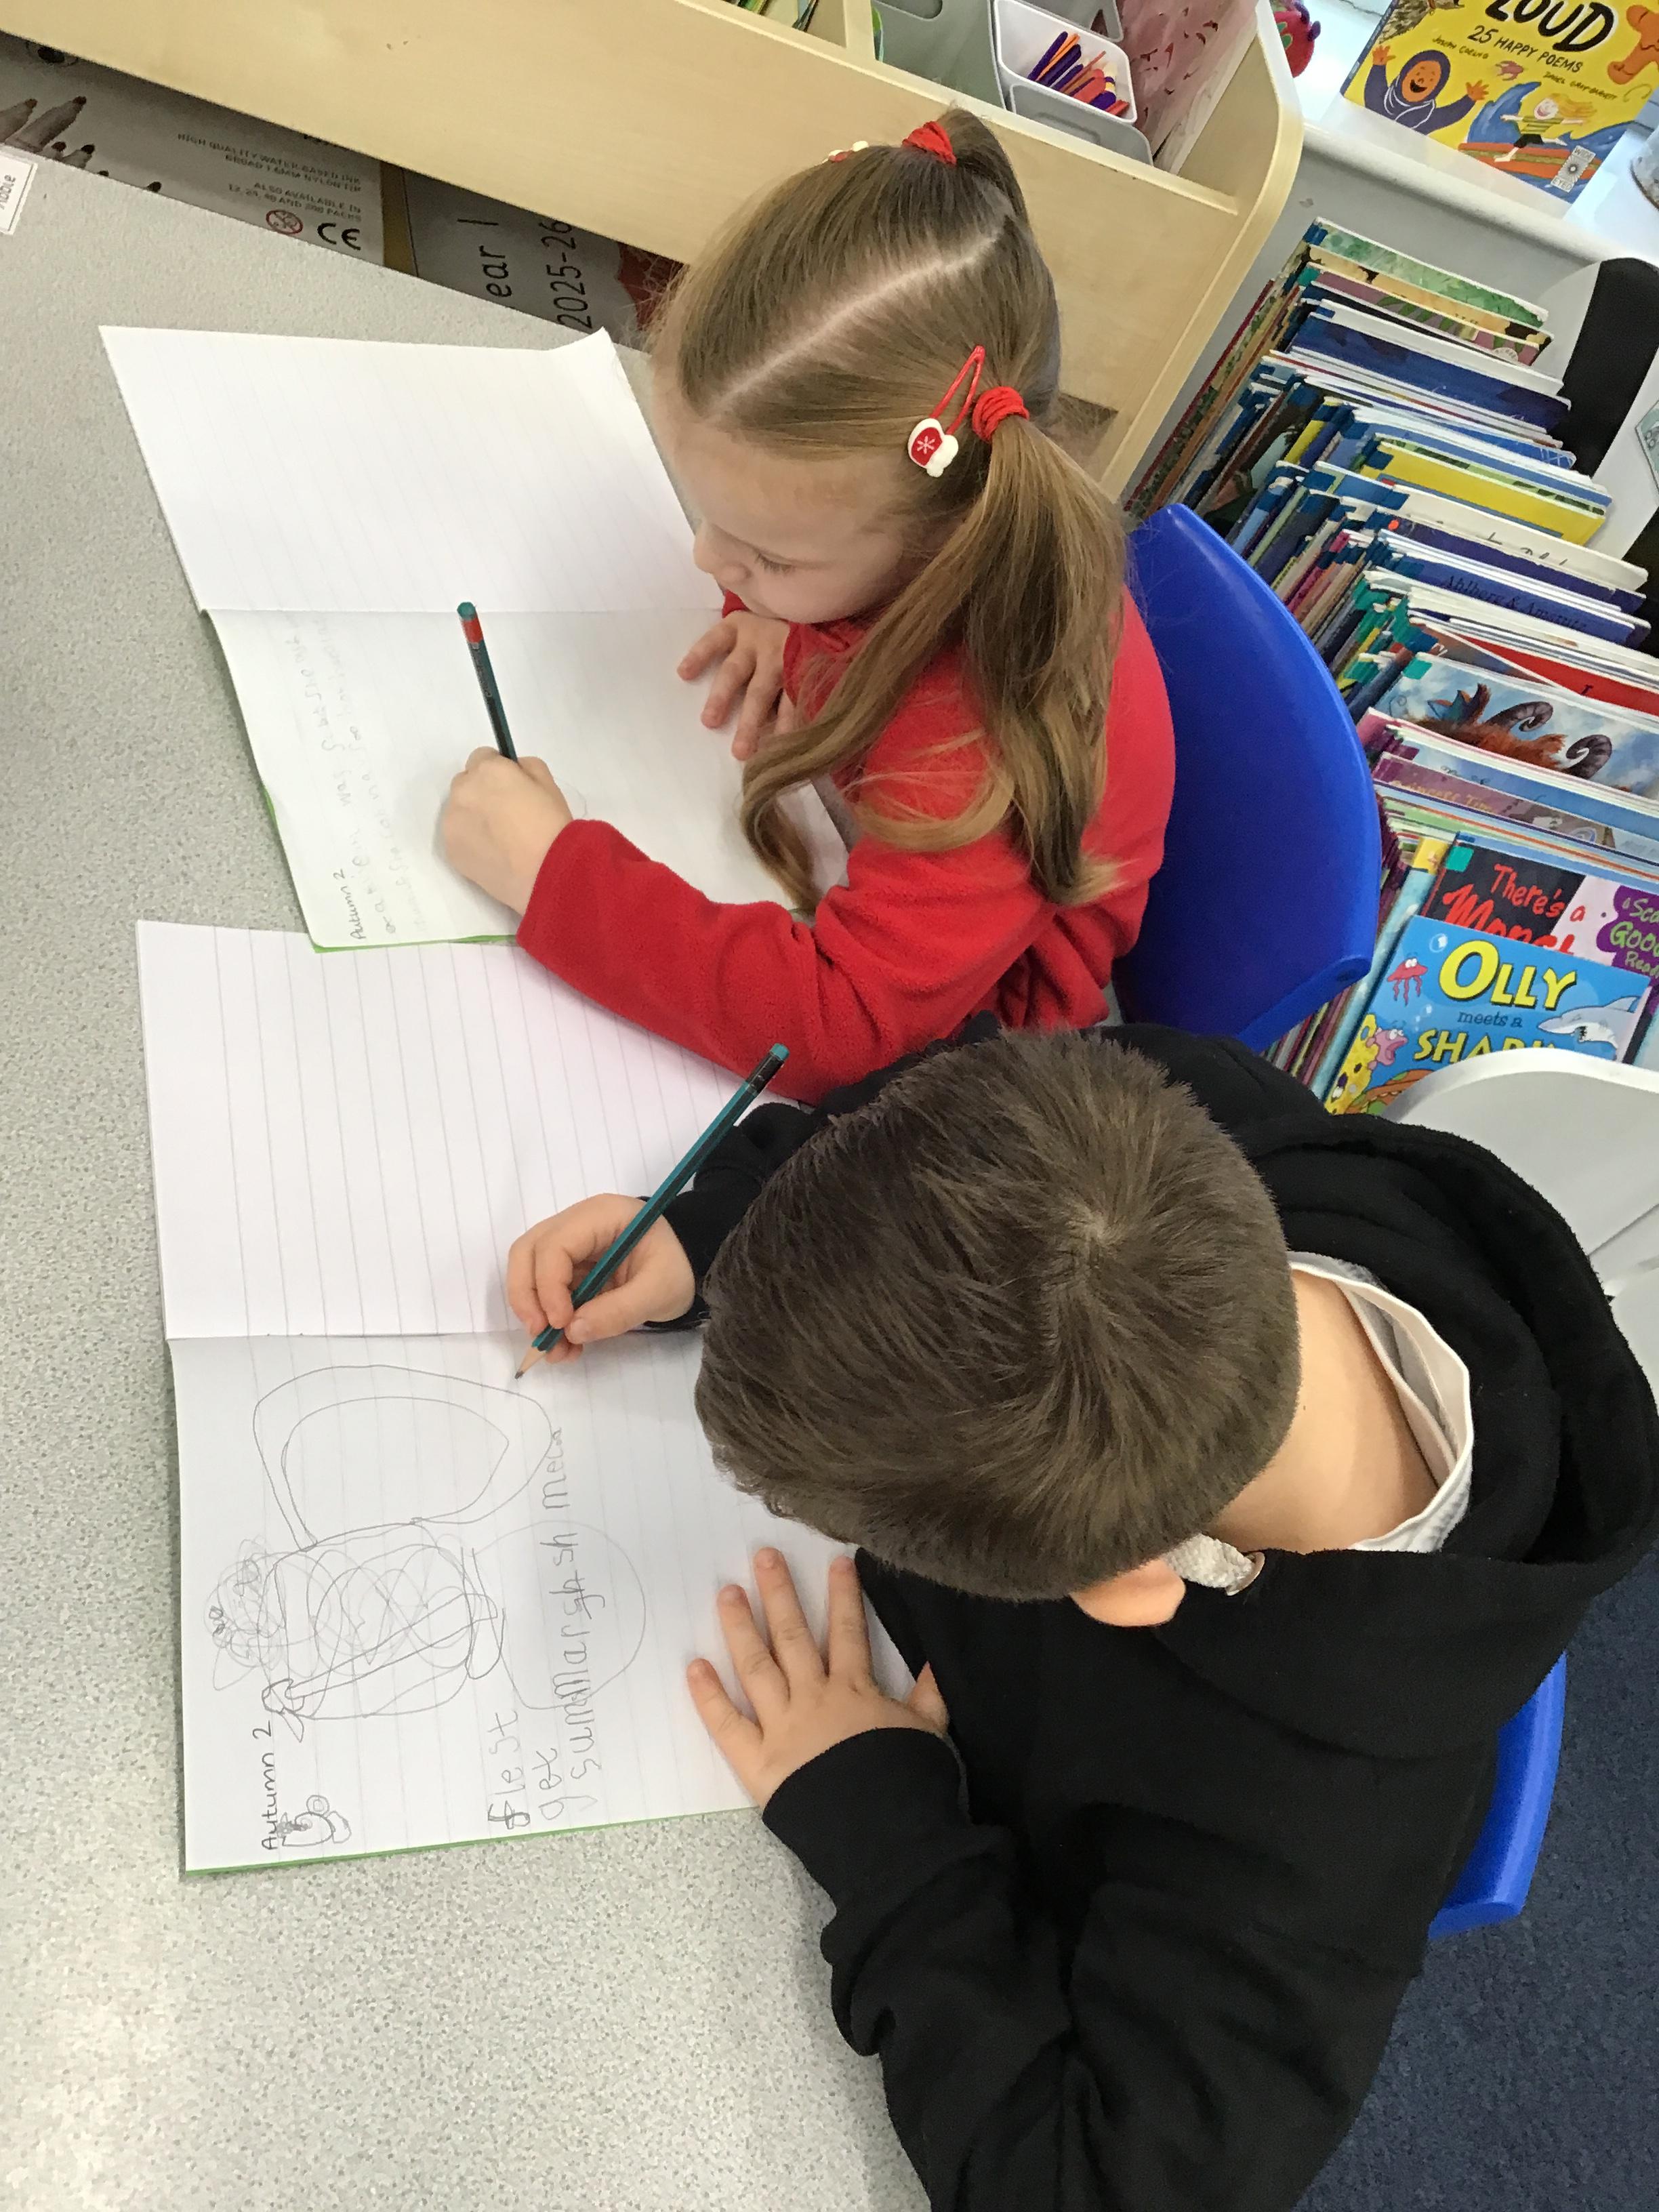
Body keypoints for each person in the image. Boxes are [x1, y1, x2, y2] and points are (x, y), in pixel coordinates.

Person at [503, 1021, 1659, 2211]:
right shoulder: (1168, 1116)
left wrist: (887, 1830)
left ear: (1130, 1588)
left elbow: (1085, 2189)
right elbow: (937, 1113)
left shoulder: (1308, 1844)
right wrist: (713, 1232)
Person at [440, 113, 1173, 1100]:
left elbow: (845, 1033)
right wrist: (782, 610)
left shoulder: (988, 738)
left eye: (769, 555)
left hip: (982, 1053)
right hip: (871, 865)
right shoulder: (884, 535)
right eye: (711, 515)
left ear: (940, 539)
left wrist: (556, 881)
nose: (708, 559)